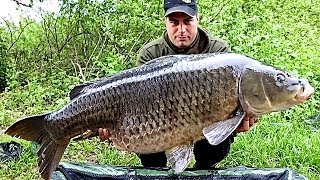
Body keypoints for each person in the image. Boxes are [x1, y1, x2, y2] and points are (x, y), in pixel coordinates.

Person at [99, 0, 258, 169]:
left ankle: (203, 169)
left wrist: (236, 122)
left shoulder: (218, 52)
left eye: (187, 21)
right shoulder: (151, 53)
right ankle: (156, 171)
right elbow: (136, 102)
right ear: (165, 22)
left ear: (198, 19)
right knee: (150, 152)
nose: (181, 30)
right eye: (174, 22)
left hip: (204, 121)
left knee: (215, 145)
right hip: (158, 120)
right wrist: (112, 123)